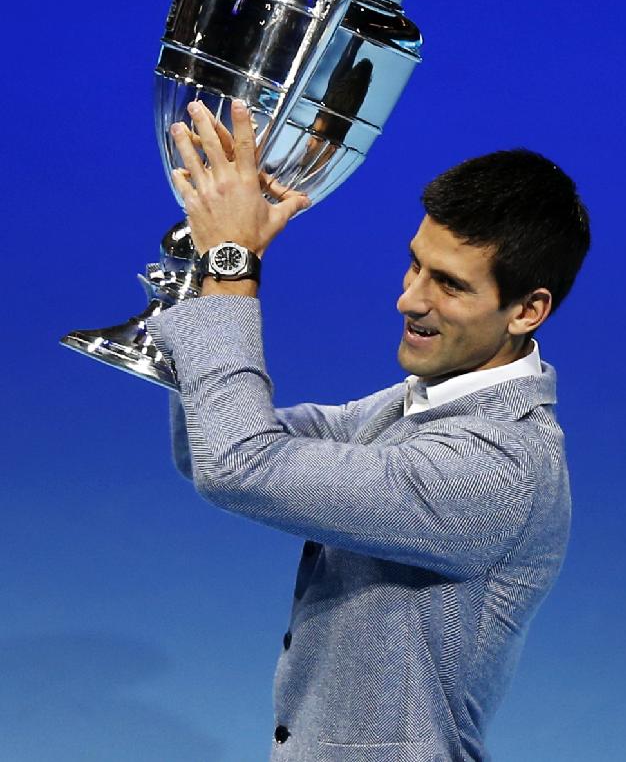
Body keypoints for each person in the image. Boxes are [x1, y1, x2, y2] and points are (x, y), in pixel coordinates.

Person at [146, 98, 591, 762]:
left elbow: (241, 465)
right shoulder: (421, 408)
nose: (409, 298)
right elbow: (216, 442)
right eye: (416, 264)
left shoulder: (496, 467)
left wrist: (231, 265)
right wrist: (201, 261)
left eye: (450, 284)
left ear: (527, 310)